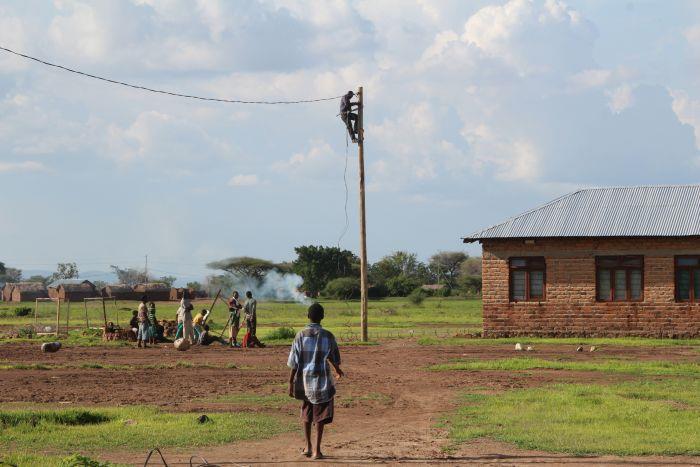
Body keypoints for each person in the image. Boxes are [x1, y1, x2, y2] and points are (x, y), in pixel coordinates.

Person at [287, 303, 343, 460]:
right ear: (322, 317)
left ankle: (307, 446)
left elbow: (294, 363)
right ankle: (317, 450)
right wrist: (337, 369)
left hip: (304, 382)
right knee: (320, 415)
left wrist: (291, 382)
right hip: (322, 382)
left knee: (306, 412)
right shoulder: (328, 336)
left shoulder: (300, 336)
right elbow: (333, 357)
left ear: (307, 316)